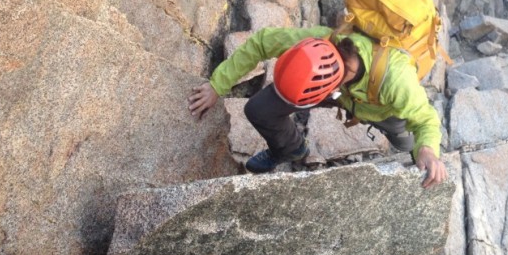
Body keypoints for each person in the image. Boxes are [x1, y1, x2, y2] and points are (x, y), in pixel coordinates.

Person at [188, 26, 448, 189]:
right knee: (259, 109)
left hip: (383, 109)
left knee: (406, 143)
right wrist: (217, 86)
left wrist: (427, 151)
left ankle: (402, 142)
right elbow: (262, 42)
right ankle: (290, 149)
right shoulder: (315, 43)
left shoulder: (396, 82)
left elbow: (425, 119)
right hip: (339, 92)